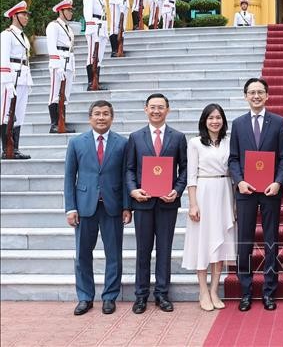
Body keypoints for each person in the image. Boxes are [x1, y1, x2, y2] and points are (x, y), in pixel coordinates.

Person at [64, 100, 131, 316]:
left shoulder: (122, 143)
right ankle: (85, 297)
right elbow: (69, 177)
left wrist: (127, 206)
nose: (101, 117)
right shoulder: (76, 143)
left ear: (112, 117)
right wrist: (70, 207)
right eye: (97, 114)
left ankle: (110, 297)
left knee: (114, 254)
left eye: (105, 114)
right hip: (84, 208)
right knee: (83, 254)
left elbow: (126, 176)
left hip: (112, 206)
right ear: (89, 117)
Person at [228, 78, 283, 312]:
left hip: (270, 191)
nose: (256, 96)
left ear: (267, 96)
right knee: (245, 241)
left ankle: (269, 291)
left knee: (270, 241)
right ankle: (246, 291)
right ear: (245, 96)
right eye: (251, 92)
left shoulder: (278, 122)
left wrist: (278, 183)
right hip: (246, 191)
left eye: (260, 92)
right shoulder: (238, 124)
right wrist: (239, 181)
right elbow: (233, 158)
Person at [125, 93, 188, 314]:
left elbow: (185, 168)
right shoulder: (135, 137)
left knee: (164, 249)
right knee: (143, 250)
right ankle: (141, 295)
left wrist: (177, 190)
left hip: (167, 203)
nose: (156, 111)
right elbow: (130, 169)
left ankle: (162, 294)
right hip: (142, 203)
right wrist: (133, 190)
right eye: (152, 107)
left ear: (167, 110)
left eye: (161, 107)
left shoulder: (178, 137)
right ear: (145, 110)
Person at [182, 103, 237, 311]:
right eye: (211, 117)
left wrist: (233, 204)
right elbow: (191, 176)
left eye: (218, 117)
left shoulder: (229, 142)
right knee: (203, 243)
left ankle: (214, 290)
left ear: (223, 120)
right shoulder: (195, 143)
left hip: (224, 191)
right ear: (204, 121)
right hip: (204, 192)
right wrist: (193, 204)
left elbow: (233, 174)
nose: (215, 121)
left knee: (220, 243)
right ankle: (203, 291)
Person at [1, 1, 33, 159]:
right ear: (14, 16)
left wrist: (29, 80)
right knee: (7, 113)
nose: (26, 17)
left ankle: (15, 148)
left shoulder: (24, 37)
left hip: (23, 79)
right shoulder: (6, 35)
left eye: (27, 15)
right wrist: (6, 82)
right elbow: (4, 59)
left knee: (18, 114)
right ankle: (6, 148)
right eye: (23, 14)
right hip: (11, 79)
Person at [46, 0, 76, 133]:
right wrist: (57, 65)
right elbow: (51, 46)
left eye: (71, 10)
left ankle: (62, 122)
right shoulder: (53, 26)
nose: (71, 13)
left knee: (65, 94)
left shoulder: (68, 28)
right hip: (58, 61)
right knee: (55, 93)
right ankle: (54, 124)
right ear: (61, 11)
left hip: (68, 61)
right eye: (68, 10)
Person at [83, 0, 109, 91]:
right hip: (94, 28)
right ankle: (90, 82)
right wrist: (92, 27)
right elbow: (87, 13)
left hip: (102, 27)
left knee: (99, 56)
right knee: (92, 55)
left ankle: (96, 81)